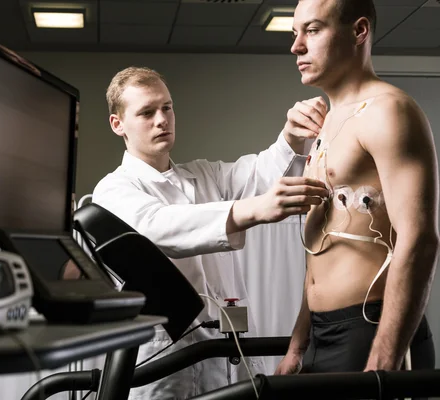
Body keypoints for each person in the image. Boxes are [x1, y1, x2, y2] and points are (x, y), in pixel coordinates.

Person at [91, 66, 330, 399]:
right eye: (147, 112)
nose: (162, 119)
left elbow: (261, 172)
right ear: (118, 125)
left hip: (227, 357)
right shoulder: (112, 190)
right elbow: (155, 228)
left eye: (167, 107)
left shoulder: (203, 175)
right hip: (164, 363)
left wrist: (291, 136)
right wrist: (253, 209)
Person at [276, 0, 438, 378]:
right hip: (322, 333)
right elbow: (321, 248)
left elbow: (420, 240)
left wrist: (382, 362)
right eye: (295, 33)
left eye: (312, 30)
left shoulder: (389, 111)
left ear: (359, 31)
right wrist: (298, 345)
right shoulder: (327, 123)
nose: (296, 46)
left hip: (371, 329)